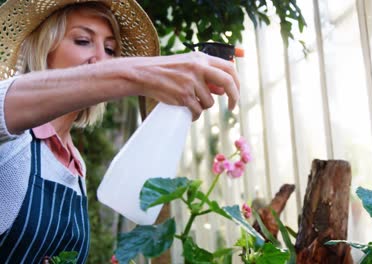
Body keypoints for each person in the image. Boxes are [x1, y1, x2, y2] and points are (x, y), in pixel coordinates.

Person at [0, 0, 240, 263]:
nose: (100, 59)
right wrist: (144, 75)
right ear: (44, 48)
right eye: (82, 40)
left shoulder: (75, 165)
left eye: (110, 49)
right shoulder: (12, 138)